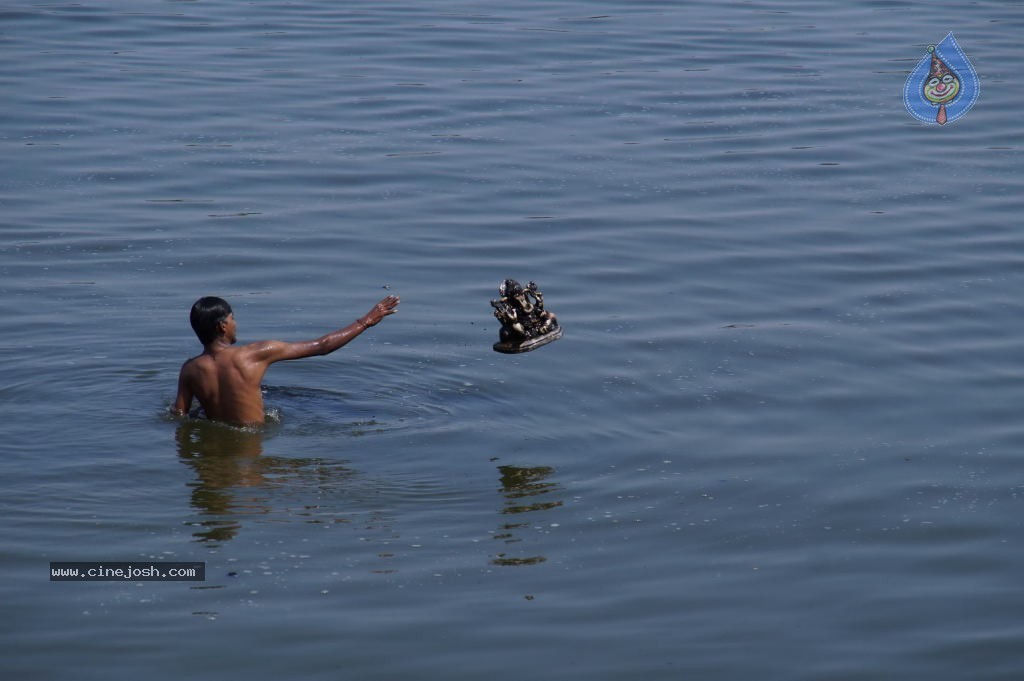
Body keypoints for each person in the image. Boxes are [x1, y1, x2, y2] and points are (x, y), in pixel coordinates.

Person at [174, 294, 399, 426]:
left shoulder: (190, 369)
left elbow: (178, 415)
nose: (236, 324)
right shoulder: (254, 354)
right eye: (233, 319)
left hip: (216, 450)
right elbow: (322, 347)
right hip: (251, 441)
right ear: (222, 326)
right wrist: (366, 321)